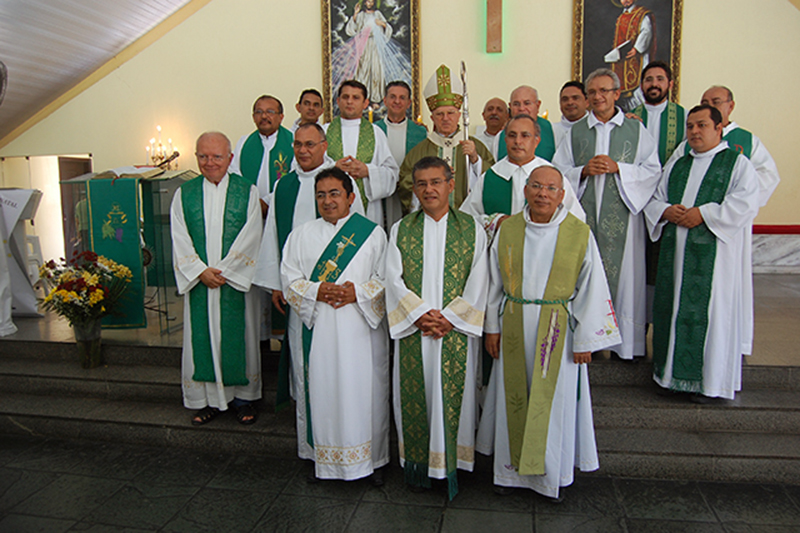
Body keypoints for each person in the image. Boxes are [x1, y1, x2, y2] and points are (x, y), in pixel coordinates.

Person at [475, 165, 621, 500]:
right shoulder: (508, 229)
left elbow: (592, 286)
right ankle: (509, 476)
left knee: (551, 404)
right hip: (512, 324)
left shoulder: (578, 232)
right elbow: (494, 282)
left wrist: (587, 340)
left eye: (551, 188)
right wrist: (492, 329)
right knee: (514, 397)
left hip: (557, 332)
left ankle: (549, 476)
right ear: (525, 190)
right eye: (536, 186)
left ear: (562, 194)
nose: (543, 193)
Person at [385, 156, 489, 499]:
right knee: (418, 395)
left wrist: (451, 318)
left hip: (454, 331)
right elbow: (393, 279)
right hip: (417, 330)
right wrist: (418, 315)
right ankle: (420, 463)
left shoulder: (472, 228)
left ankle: (452, 464)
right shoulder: (401, 229)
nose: (429, 189)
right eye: (421, 184)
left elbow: (480, 279)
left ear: (450, 182)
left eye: (435, 182)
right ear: (414, 188)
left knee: (455, 395)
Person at [280, 166, 389, 483]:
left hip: (361, 332)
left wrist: (358, 292)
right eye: (321, 195)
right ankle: (322, 457)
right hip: (320, 331)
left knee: (365, 393)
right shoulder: (300, 235)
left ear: (351, 197)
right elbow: (289, 281)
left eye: (335, 193)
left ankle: (371, 460)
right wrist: (318, 290)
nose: (327, 201)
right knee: (323, 390)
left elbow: (386, 280)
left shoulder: (372, 234)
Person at [644, 105, 759, 401]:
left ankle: (709, 384)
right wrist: (666, 210)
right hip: (675, 255)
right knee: (672, 310)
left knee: (710, 315)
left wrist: (704, 215)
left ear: (719, 128)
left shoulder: (736, 163)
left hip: (715, 262)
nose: (694, 131)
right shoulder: (678, 163)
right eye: (690, 126)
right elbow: (654, 198)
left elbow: (746, 202)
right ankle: (669, 377)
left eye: (702, 125)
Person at [553, 68, 660, 361]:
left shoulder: (636, 130)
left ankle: (625, 345)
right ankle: (590, 340)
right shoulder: (575, 132)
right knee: (584, 275)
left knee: (624, 279)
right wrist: (582, 171)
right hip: (583, 220)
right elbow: (558, 172)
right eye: (592, 93)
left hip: (624, 221)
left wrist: (620, 169)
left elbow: (653, 172)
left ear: (616, 94)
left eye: (604, 91)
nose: (598, 97)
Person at [170, 132, 263, 426]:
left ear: (230, 158)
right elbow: (179, 237)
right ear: (196, 157)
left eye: (217, 156)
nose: (210, 163)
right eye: (203, 156)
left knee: (240, 339)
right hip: (201, 282)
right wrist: (199, 271)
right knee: (203, 339)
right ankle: (206, 401)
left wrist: (224, 271)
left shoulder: (247, 192)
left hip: (232, 283)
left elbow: (252, 235)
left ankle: (243, 399)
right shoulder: (184, 194)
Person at [252, 123, 365, 334]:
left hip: (337, 280)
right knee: (298, 339)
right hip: (297, 283)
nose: (303, 150)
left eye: (310, 144)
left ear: (324, 146)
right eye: (298, 144)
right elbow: (272, 234)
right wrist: (277, 283)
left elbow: (357, 232)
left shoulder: (342, 181)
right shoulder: (284, 185)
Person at [462, 114, 584, 240]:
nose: (518, 142)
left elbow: (576, 220)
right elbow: (467, 219)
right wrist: (494, 221)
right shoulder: (490, 176)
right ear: (505, 140)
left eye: (525, 136)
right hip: (500, 254)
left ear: (536, 141)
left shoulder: (551, 175)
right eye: (512, 135)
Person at [397, 64, 495, 214]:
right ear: (432, 118)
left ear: (459, 115)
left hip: (467, 220)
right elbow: (405, 185)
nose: (445, 119)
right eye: (439, 114)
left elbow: (492, 180)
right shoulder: (419, 152)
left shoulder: (475, 147)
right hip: (430, 219)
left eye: (450, 113)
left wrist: (475, 160)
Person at [324, 80, 398, 230]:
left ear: (365, 103)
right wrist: (334, 168)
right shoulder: (324, 132)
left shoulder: (376, 133)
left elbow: (392, 174)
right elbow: (310, 170)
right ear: (338, 101)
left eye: (356, 98)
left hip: (368, 212)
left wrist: (368, 171)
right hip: (330, 209)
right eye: (345, 97)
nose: (350, 101)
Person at [230, 95, 294, 217]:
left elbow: (293, 177)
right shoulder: (244, 142)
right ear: (253, 117)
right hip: (249, 209)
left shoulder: (294, 142)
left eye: (270, 112)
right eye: (259, 112)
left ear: (281, 117)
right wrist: (252, 202)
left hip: (281, 209)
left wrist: (267, 202)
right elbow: (234, 174)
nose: (264, 116)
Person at [375, 80, 428, 227]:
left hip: (409, 191)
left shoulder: (420, 132)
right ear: (385, 100)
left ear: (409, 103)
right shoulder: (374, 130)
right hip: (383, 192)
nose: (397, 101)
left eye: (402, 98)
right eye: (392, 97)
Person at [631, 61, 686, 166]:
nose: (654, 84)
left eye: (660, 79)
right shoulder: (630, 118)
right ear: (641, 85)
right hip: (638, 179)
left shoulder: (684, 117)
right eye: (648, 80)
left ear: (670, 85)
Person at [604, 0, 655, 111]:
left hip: (637, 57)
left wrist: (636, 49)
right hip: (623, 58)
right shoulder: (622, 16)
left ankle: (640, 110)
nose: (625, 0)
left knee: (638, 88)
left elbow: (646, 32)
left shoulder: (641, 14)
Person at [344, 0, 392, 107]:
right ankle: (362, 98)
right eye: (367, 1)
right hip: (364, 46)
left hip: (375, 45)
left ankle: (375, 99)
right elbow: (353, 29)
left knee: (376, 70)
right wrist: (355, 14)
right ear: (364, 3)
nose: (369, 3)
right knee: (363, 70)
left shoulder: (378, 14)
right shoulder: (361, 15)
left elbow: (387, 28)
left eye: (371, 1)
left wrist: (382, 24)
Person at [494, 85, 557, 163]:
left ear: (538, 105)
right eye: (516, 104)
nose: (521, 108)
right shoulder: (500, 136)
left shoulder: (554, 131)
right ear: (510, 107)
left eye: (527, 103)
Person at [553, 81, 589, 149]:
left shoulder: (595, 129)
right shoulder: (551, 131)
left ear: (587, 102)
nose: (570, 102)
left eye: (575, 98)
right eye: (565, 99)